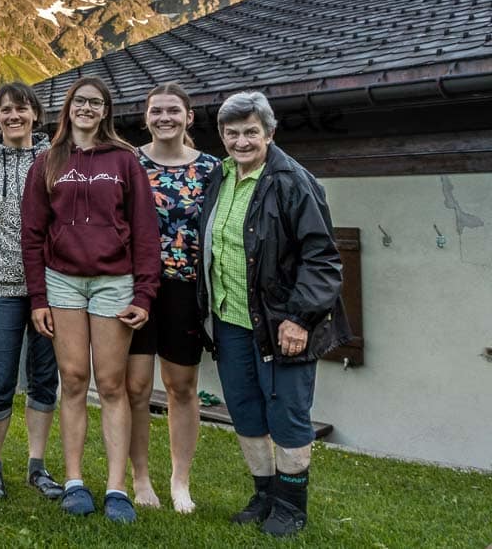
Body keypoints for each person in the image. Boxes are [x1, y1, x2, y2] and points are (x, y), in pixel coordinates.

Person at [197, 90, 350, 537]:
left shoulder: (292, 181)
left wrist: (300, 318)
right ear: (222, 136)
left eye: (250, 132)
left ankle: (291, 506)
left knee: (288, 415)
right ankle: (263, 495)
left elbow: (322, 258)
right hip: (230, 322)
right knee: (245, 411)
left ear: (269, 133)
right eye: (232, 133)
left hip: (282, 325)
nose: (241, 141)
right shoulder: (220, 178)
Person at [21, 76, 160, 524]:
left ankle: (117, 488)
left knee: (113, 383)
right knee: (74, 378)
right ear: (68, 108)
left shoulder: (125, 161)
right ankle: (76, 481)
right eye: (79, 101)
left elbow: (145, 231)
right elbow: (33, 235)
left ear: (106, 111)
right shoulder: (47, 161)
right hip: (62, 281)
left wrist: (144, 292)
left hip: (113, 282)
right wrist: (38, 297)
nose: (86, 108)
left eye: (95, 103)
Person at [0, 82, 62, 500]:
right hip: (1, 289)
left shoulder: (56, 160)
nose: (13, 116)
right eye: (5, 110)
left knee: (44, 378)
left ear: (35, 115)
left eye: (21, 109)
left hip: (51, 287)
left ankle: (36, 467)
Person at [125, 83, 220, 513]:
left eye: (173, 111)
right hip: (136, 289)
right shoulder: (129, 162)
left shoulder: (212, 169)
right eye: (156, 111)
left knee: (182, 388)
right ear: (145, 117)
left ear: (189, 117)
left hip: (185, 289)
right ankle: (140, 479)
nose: (165, 118)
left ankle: (180, 481)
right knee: (136, 387)